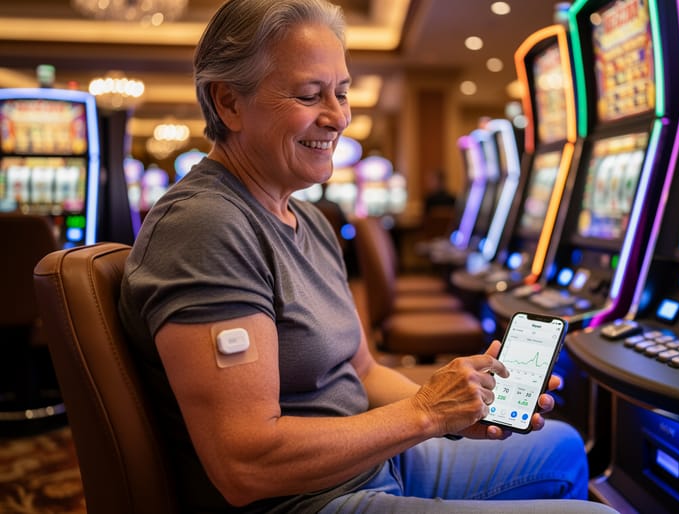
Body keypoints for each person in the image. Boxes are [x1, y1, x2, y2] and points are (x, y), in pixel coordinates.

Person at [118, 1, 620, 512]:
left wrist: (456, 416)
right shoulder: (205, 226)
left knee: (561, 447)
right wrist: (425, 413)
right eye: (310, 95)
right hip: (304, 500)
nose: (338, 117)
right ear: (228, 103)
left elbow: (361, 370)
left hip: (365, 461)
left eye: (341, 92)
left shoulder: (308, 218)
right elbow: (246, 465)